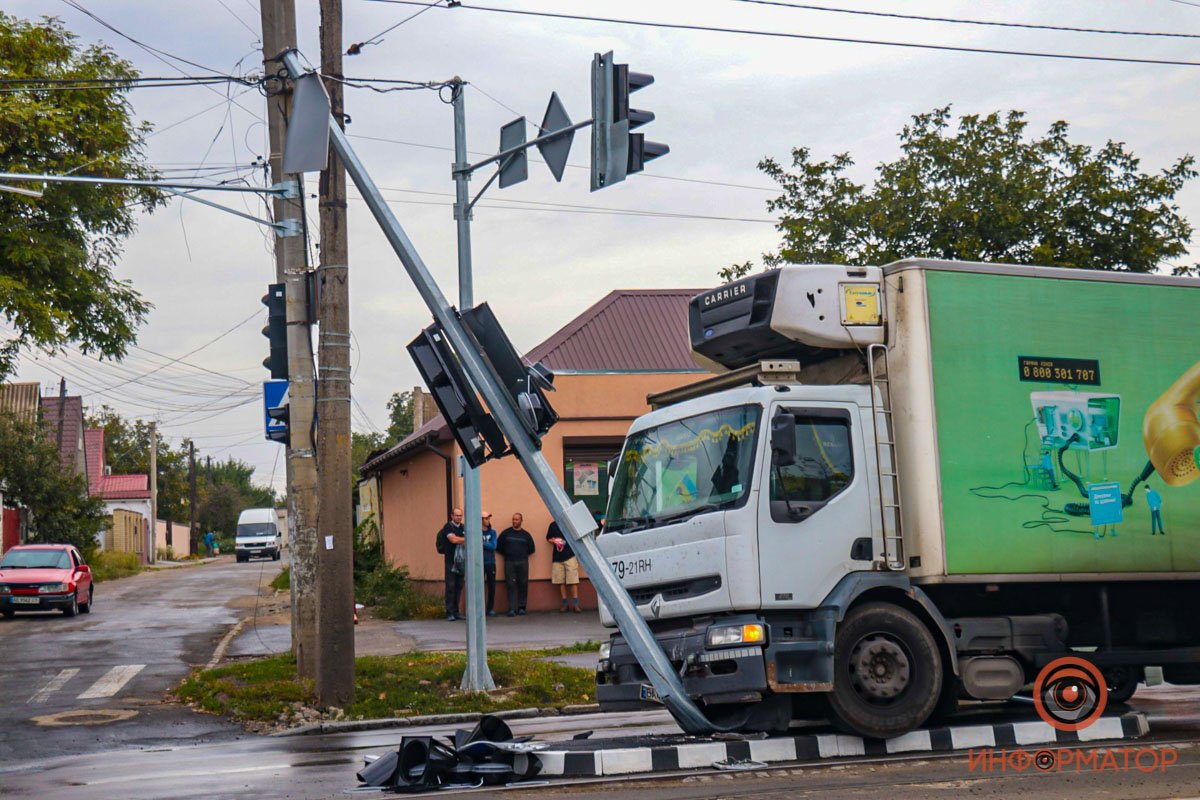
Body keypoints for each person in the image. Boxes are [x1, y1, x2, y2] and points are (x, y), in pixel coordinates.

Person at [497, 512, 535, 616]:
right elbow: (499, 547)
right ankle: (512, 609)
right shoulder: (506, 533)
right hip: (509, 562)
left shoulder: (526, 535)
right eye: (513, 519)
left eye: (517, 519)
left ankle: (522, 607)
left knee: (523, 584)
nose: (514, 521)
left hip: (523, 562)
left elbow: (532, 549)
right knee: (510, 585)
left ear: (521, 521)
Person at [435, 508, 466, 621]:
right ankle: (449, 612)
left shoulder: (463, 527)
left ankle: (456, 611)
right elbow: (453, 540)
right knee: (451, 587)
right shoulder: (448, 527)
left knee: (459, 587)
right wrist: (466, 539)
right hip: (450, 562)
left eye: (460, 515)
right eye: (457, 515)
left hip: (461, 562)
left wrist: (462, 539)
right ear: (452, 516)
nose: (459, 517)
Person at [547, 520, 582, 613]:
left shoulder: (570, 523)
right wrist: (554, 541)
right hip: (557, 557)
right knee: (560, 581)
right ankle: (565, 604)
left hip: (571, 555)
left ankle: (575, 604)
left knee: (573, 580)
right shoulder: (553, 525)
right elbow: (548, 538)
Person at [481, 512, 498, 617]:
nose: (488, 521)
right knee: (479, 586)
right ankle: (480, 608)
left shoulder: (492, 532)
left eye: (489, 518)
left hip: (490, 562)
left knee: (492, 586)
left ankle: (490, 608)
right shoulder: (476, 532)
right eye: (486, 518)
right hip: (479, 563)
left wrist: (481, 543)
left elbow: (493, 546)